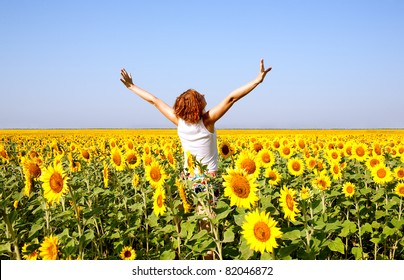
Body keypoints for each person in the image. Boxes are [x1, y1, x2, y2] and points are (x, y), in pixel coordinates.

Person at [120, 59, 272, 180]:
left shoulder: (178, 121)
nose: (204, 95)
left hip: (188, 176)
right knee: (207, 218)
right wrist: (256, 81)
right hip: (207, 179)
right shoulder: (207, 121)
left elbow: (154, 101)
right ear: (197, 105)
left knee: (192, 217)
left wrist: (132, 87)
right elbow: (232, 98)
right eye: (200, 96)